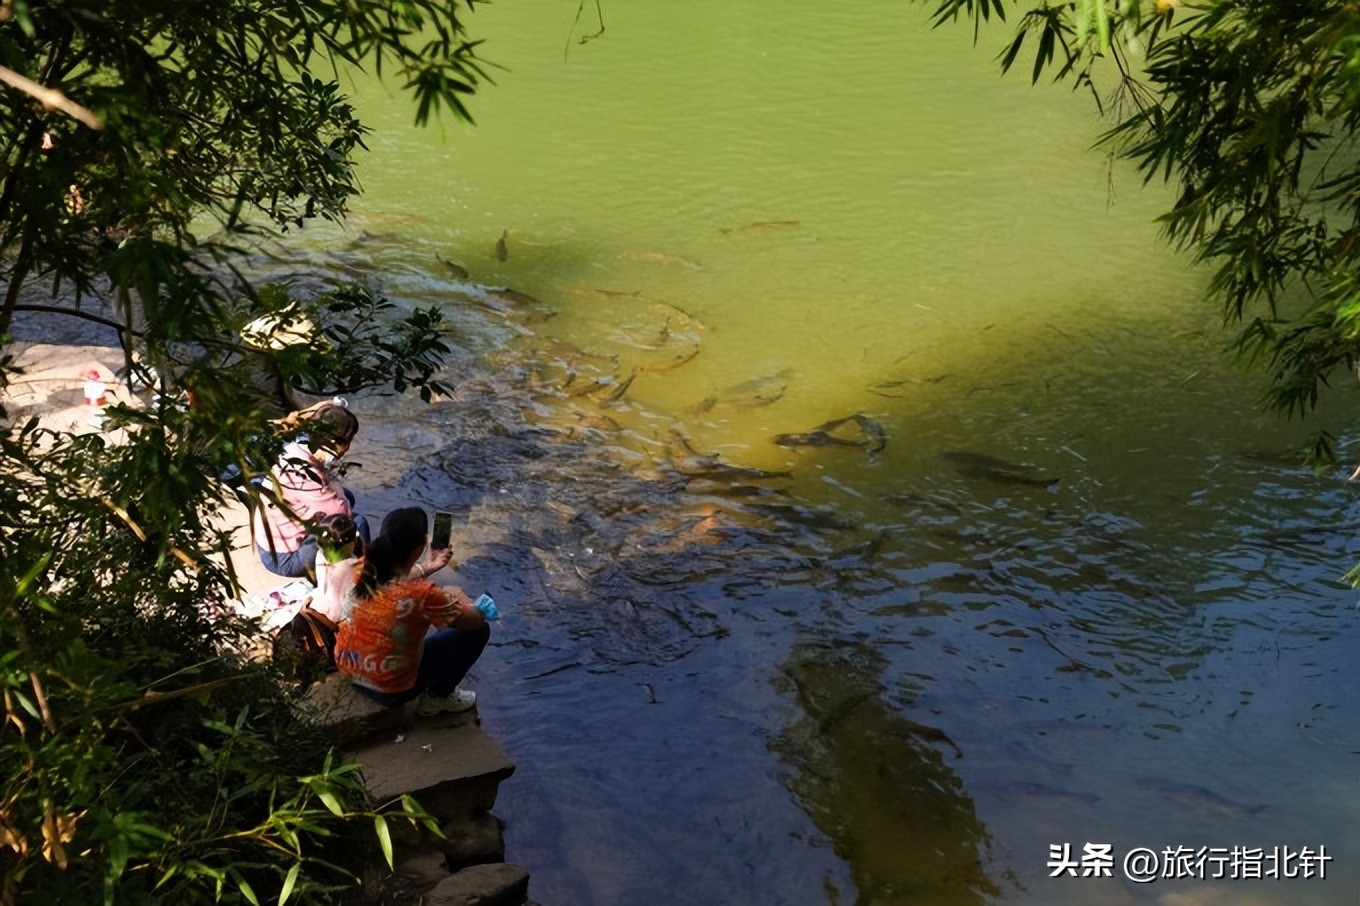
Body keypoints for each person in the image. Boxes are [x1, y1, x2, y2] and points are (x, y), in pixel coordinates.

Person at [334, 508, 488, 716]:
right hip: (389, 689)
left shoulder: (364, 566)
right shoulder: (423, 595)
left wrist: (427, 568)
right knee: (479, 633)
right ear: (420, 547)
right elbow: (475, 621)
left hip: (348, 669)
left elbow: (397, 579)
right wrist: (461, 599)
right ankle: (438, 697)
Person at [253, 399, 371, 578]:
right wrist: (341, 504)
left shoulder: (299, 449)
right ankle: (362, 577)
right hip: (284, 558)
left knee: (346, 497)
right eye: (348, 441)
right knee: (356, 522)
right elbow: (337, 510)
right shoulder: (301, 470)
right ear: (333, 441)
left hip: (277, 539)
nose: (347, 448)